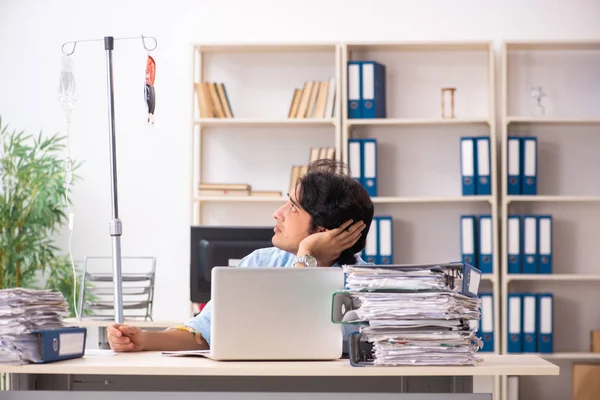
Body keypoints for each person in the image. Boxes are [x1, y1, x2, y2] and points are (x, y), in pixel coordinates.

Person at [107, 159, 375, 352]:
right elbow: (205, 332)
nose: (277, 213)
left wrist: (306, 256)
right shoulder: (259, 263)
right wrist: (143, 340)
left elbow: (300, 338)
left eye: (293, 208)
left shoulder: (365, 288)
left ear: (322, 229)